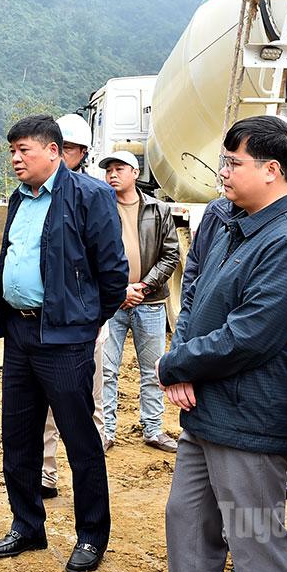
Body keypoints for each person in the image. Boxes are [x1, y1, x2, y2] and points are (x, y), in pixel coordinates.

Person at [160, 115, 287, 572]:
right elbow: (194, 297)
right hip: (205, 409)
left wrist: (175, 363)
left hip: (249, 420)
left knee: (255, 545)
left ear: (272, 170)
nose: (223, 171)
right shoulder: (231, 223)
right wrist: (182, 361)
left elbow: (248, 337)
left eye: (234, 162)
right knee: (187, 526)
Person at [0, 115, 129, 572]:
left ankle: (91, 535)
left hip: (66, 339)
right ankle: (27, 525)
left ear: (53, 150)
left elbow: (113, 272)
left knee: (79, 439)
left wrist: (87, 321)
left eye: (23, 150)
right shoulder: (19, 198)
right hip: (20, 334)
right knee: (19, 438)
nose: (15, 159)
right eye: (12, 151)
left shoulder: (90, 195)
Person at [39, 113, 109, 499]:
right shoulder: (35, 197)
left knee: (89, 401)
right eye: (59, 147)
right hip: (49, 321)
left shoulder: (92, 196)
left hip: (85, 321)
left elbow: (109, 266)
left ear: (81, 153)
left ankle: (91, 477)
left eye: (70, 149)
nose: (62, 155)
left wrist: (95, 316)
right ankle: (46, 474)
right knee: (46, 407)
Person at [97, 150, 180, 453]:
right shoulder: (99, 208)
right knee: (106, 370)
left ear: (135, 173)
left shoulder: (158, 210)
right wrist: (119, 290)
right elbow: (93, 254)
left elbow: (171, 253)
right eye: (109, 170)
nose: (112, 174)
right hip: (112, 303)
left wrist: (143, 287)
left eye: (119, 169)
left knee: (153, 369)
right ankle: (105, 430)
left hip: (150, 301)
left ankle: (153, 429)